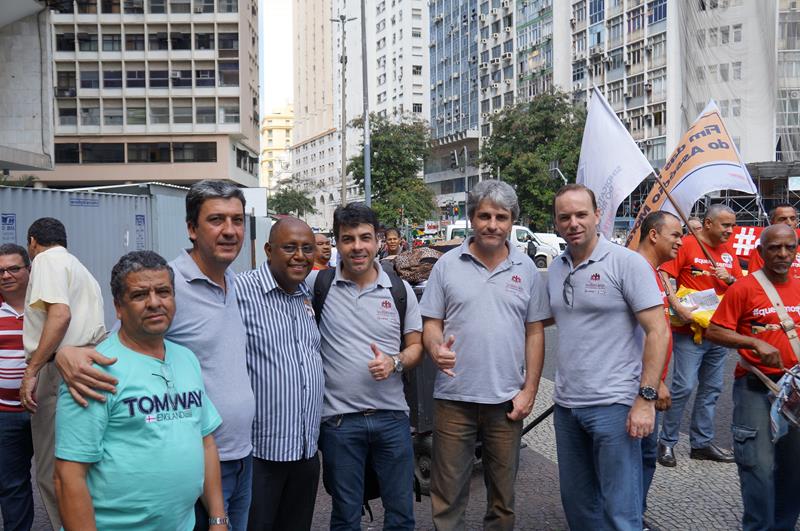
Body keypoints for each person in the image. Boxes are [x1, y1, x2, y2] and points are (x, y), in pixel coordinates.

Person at [55, 181, 256, 531]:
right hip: (181, 487)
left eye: (237, 220)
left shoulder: (237, 284)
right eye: (216, 220)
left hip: (232, 460)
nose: (229, 230)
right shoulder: (166, 278)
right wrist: (63, 353)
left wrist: (218, 516)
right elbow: (68, 476)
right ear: (192, 228)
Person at [54, 251, 228, 530]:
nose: (155, 303)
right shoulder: (92, 370)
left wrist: (218, 518)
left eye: (163, 292)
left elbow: (205, 442)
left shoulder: (186, 359)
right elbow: (68, 476)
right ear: (118, 307)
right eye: (139, 295)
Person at [420, 180, 550, 530]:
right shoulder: (447, 265)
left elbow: (534, 332)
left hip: (507, 402)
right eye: (485, 215)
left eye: (502, 217)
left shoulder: (526, 270)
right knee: (447, 498)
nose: (493, 224)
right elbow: (431, 322)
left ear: (512, 222)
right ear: (471, 218)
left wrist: (529, 392)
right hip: (453, 400)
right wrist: (434, 346)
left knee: (503, 500)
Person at [548, 184, 670, 530]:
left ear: (597, 216)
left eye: (581, 214)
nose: (574, 223)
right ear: (556, 223)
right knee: (580, 509)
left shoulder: (626, 263)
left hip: (615, 406)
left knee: (621, 513)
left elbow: (657, 331)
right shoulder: (556, 268)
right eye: (565, 217)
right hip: (567, 408)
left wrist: (645, 399)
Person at [309, 203, 423, 531]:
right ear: (338, 243)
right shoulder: (321, 286)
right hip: (339, 423)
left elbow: (415, 347)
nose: (357, 246)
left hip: (391, 420)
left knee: (401, 513)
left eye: (365, 238)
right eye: (348, 239)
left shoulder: (399, 291)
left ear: (376, 241)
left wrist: (394, 361)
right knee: (345, 515)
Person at [705, 224, 800, 531]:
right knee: (757, 467)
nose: (782, 254)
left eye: (788, 247)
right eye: (774, 248)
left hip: (795, 393)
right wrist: (754, 342)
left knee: (793, 468)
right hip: (756, 387)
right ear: (760, 252)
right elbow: (715, 330)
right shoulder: (744, 288)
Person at [235, 218, 324, 531]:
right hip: (261, 456)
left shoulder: (306, 294)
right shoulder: (239, 290)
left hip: (305, 453)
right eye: (289, 247)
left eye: (307, 248)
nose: (299, 255)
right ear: (268, 251)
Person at [20, 218, 106, 530]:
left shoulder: (45, 260)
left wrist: (32, 370)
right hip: (89, 363)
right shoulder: (79, 268)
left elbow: (60, 315)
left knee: (53, 470)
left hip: (60, 369)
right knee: (82, 464)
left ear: (32, 242)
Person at [658, 204, 740, 466]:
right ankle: (666, 443)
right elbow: (663, 275)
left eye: (732, 225)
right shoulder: (686, 245)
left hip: (718, 333)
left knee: (713, 388)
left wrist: (729, 279)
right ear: (707, 224)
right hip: (688, 332)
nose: (730, 230)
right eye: (725, 225)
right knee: (684, 387)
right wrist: (677, 306)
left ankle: (701, 443)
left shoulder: (728, 253)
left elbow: (741, 288)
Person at [636, 212, 683, 526]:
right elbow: (637, 334)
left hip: (650, 383)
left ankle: (632, 512)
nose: (681, 242)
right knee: (638, 458)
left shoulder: (656, 272)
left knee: (644, 457)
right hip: (639, 386)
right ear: (654, 235)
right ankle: (627, 516)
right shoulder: (636, 271)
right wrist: (654, 383)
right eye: (675, 235)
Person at [0, 244, 34, 531]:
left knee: (58, 477)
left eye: (13, 268)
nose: (6, 275)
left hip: (45, 412)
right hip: (5, 414)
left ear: (28, 269)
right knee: (12, 485)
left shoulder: (47, 307)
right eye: (0, 271)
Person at [747, 204, 799, 277]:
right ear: (772, 223)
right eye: (782, 219)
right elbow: (756, 282)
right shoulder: (763, 251)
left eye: (792, 219)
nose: (789, 223)